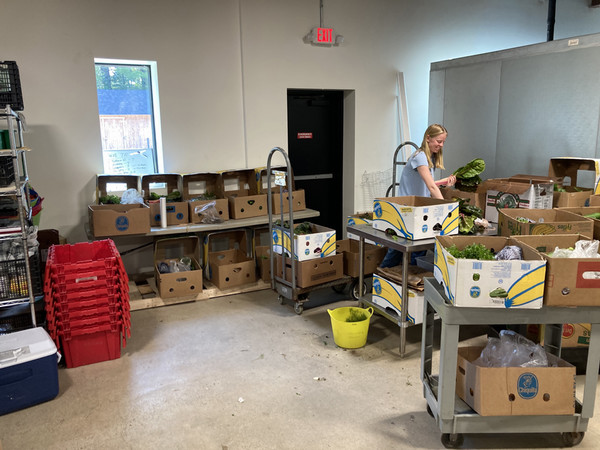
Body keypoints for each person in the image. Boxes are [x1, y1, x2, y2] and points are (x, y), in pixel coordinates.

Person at [379, 124, 456, 268]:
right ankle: (381, 274)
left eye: (443, 142)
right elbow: (431, 186)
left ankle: (412, 279)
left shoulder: (429, 158)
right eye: (439, 141)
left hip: (418, 211)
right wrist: (447, 209)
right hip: (407, 211)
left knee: (417, 249)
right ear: (428, 138)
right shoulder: (420, 157)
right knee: (397, 249)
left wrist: (445, 182)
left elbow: (429, 183)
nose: (441, 145)